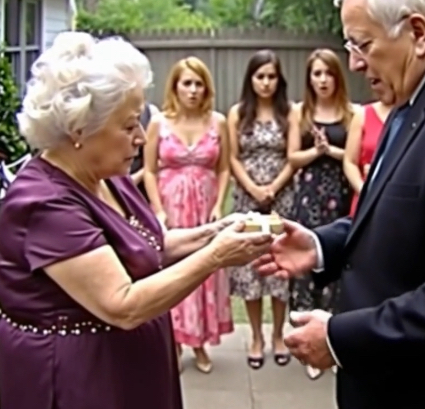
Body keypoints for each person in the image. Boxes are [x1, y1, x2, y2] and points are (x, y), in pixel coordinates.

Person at [256, 0, 425, 409]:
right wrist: (321, 246)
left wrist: (340, 336)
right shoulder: (416, 94)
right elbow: (399, 216)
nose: (354, 62)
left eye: (363, 44)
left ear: (417, 32)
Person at [0, 31, 274, 409]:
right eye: (129, 126)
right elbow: (122, 304)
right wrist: (216, 256)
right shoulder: (44, 205)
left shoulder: (107, 176)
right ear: (80, 129)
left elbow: (149, 243)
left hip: (126, 370)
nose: (142, 137)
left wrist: (216, 231)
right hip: (80, 379)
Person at [143, 56, 233, 374]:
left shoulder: (218, 122)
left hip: (204, 208)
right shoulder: (158, 123)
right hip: (172, 207)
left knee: (202, 271)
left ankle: (199, 342)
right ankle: (174, 343)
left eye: (199, 84)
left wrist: (219, 205)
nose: (193, 90)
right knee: (173, 273)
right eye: (187, 84)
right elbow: (149, 170)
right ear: (175, 87)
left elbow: (224, 169)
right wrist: (158, 209)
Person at [227, 49, 297, 369]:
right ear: (251, 79)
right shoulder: (238, 113)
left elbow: (292, 157)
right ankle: (256, 336)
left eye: (271, 76)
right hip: (247, 200)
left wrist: (272, 188)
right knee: (251, 267)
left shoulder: (290, 112)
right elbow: (232, 158)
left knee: (279, 265)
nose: (266, 83)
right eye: (260, 76)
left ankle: (278, 335)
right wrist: (254, 189)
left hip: (281, 200)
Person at [287, 48, 353, 379]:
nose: (323, 80)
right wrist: (316, 151)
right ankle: (306, 342)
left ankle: (332, 339)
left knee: (337, 266)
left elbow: (352, 156)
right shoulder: (300, 112)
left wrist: (333, 151)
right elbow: (292, 158)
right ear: (309, 78)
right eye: (317, 74)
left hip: (338, 196)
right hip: (308, 196)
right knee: (305, 266)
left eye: (328, 73)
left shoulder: (350, 113)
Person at [343, 82, 393, 216]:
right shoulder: (363, 114)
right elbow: (349, 161)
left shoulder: (411, 114)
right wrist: (364, 190)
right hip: (365, 197)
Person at [130, 101, 159, 198]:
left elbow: (157, 161)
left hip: (143, 189)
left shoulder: (151, 112)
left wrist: (139, 176)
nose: (143, 138)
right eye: (129, 128)